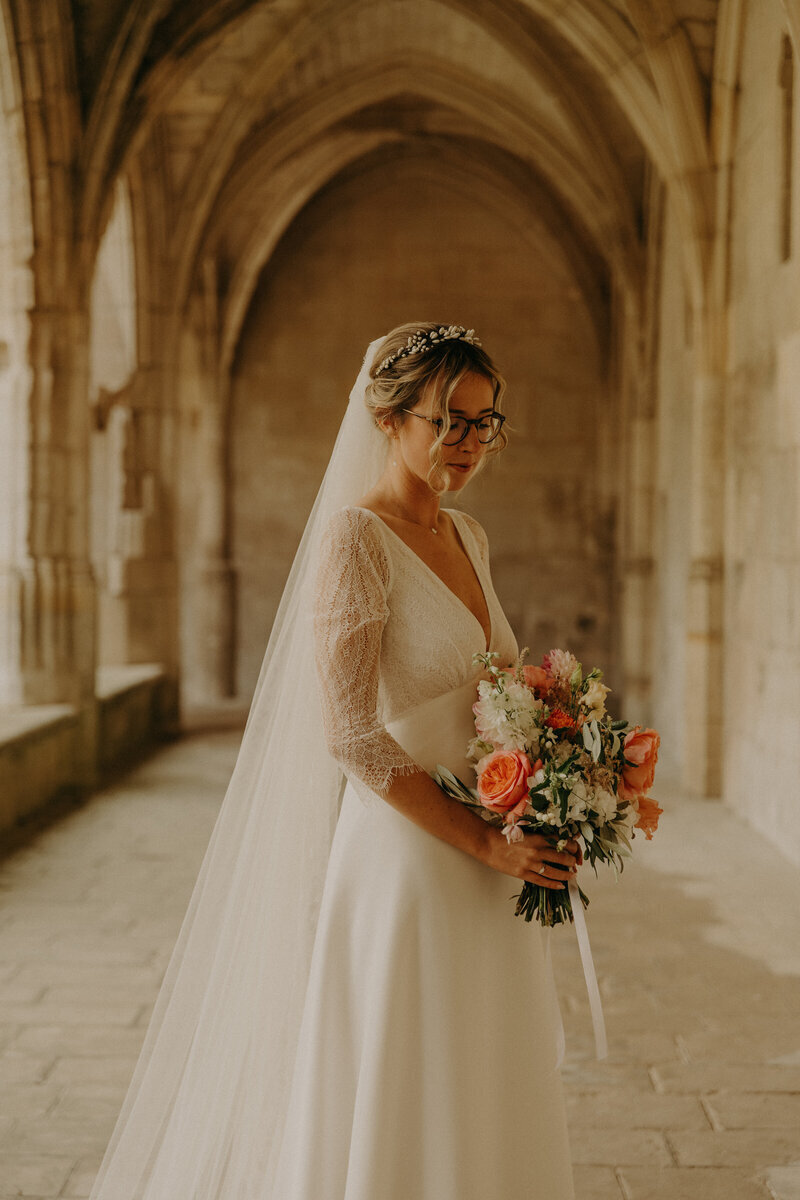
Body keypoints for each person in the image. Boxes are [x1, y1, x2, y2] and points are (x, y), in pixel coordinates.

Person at [89, 322, 577, 1199]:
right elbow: (350, 732)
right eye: (448, 421)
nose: (469, 443)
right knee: (410, 1072)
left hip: (491, 853)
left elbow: (494, 692)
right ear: (389, 418)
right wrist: (483, 840)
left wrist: (557, 783)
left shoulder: (470, 537)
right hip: (413, 858)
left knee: (483, 1062)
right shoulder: (356, 539)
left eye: (485, 422)